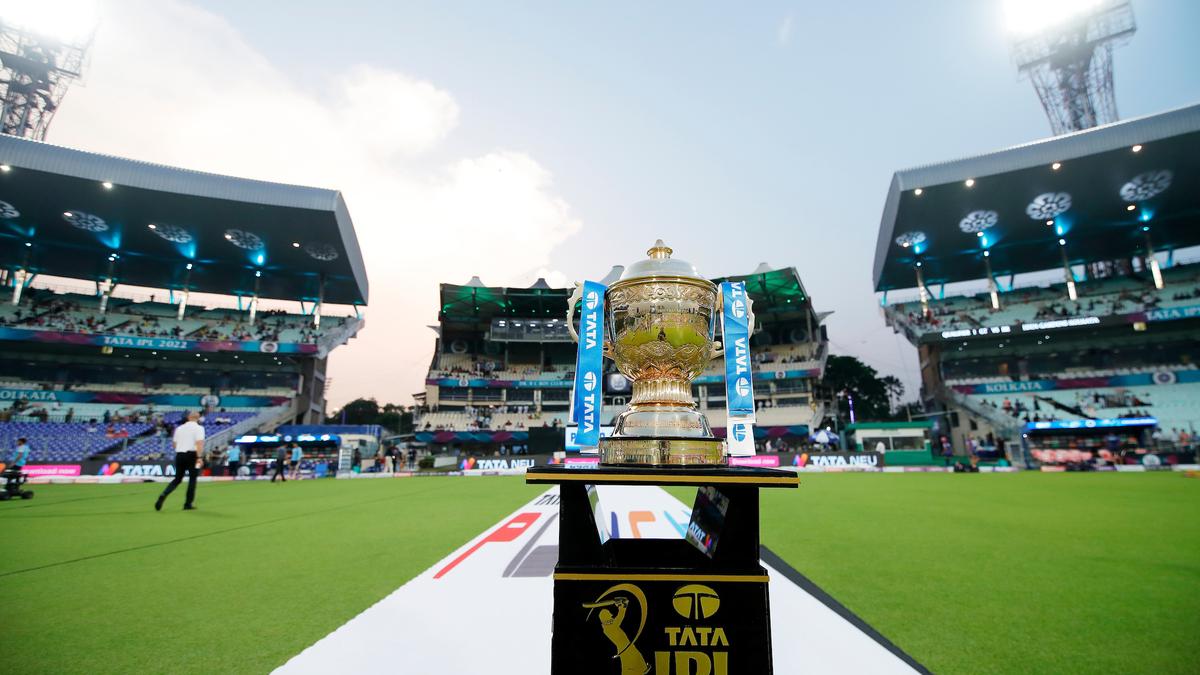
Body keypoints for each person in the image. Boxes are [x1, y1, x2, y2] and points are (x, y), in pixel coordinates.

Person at [155, 411, 204, 511]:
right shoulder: (199, 428)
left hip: (180, 455)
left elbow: (174, 444)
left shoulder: (179, 428)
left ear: (188, 417)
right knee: (192, 479)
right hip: (192, 455)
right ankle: (188, 504)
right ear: (198, 418)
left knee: (177, 479)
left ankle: (164, 494)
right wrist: (199, 457)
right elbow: (199, 443)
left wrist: (182, 448)